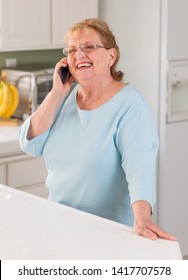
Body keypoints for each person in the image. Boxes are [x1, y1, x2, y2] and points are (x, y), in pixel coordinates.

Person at [19, 18, 176, 241]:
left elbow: (140, 165)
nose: (79, 55)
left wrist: (142, 217)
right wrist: (56, 93)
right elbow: (30, 143)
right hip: (59, 224)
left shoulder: (130, 104)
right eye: (72, 50)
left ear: (111, 56)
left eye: (89, 47)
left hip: (106, 232)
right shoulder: (63, 98)